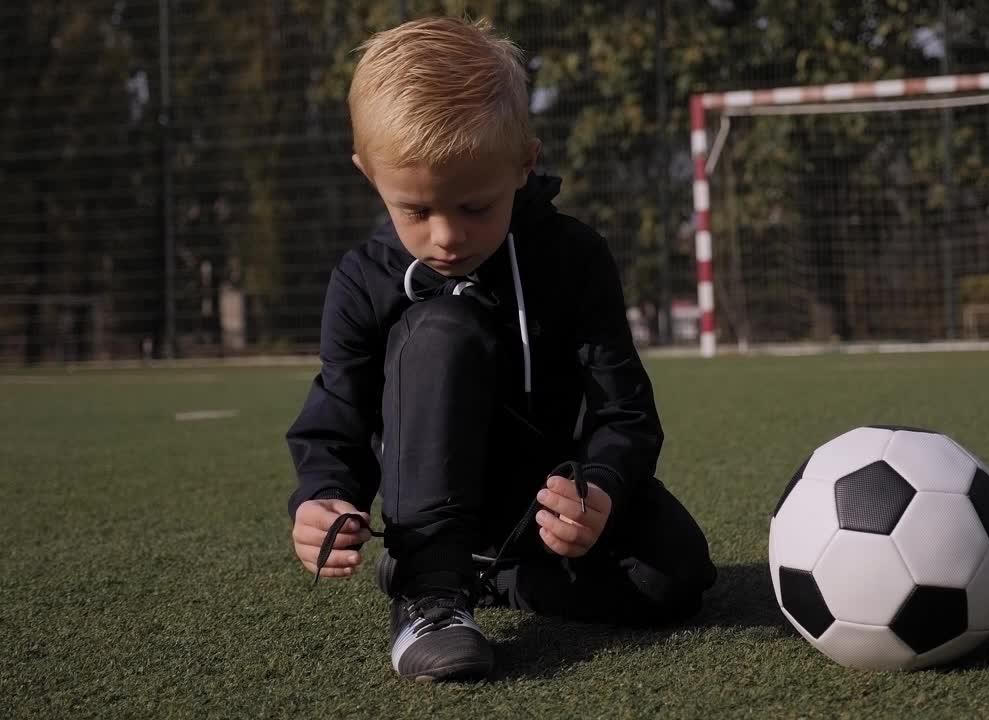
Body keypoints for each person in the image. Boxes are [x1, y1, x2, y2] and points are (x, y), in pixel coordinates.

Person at [284, 16, 717, 684]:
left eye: (476, 207)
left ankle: (494, 572)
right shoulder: (363, 281)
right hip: (429, 492)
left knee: (674, 576)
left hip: (540, 505)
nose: (446, 236)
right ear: (369, 175)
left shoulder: (574, 258)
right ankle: (430, 586)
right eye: (417, 211)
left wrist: (598, 488)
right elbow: (337, 412)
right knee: (442, 329)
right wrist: (324, 495)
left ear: (525, 162)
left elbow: (625, 411)